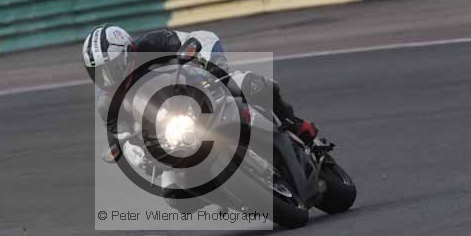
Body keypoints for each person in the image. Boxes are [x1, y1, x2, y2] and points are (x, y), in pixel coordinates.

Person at [82, 24, 318, 161]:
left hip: (200, 83)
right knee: (173, 194)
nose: (108, 78)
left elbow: (198, 40)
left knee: (249, 84)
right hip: (171, 125)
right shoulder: (106, 101)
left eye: (112, 68)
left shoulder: (152, 44)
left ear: (128, 52)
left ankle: (296, 125)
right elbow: (121, 136)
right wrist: (133, 151)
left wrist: (203, 63)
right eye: (99, 73)